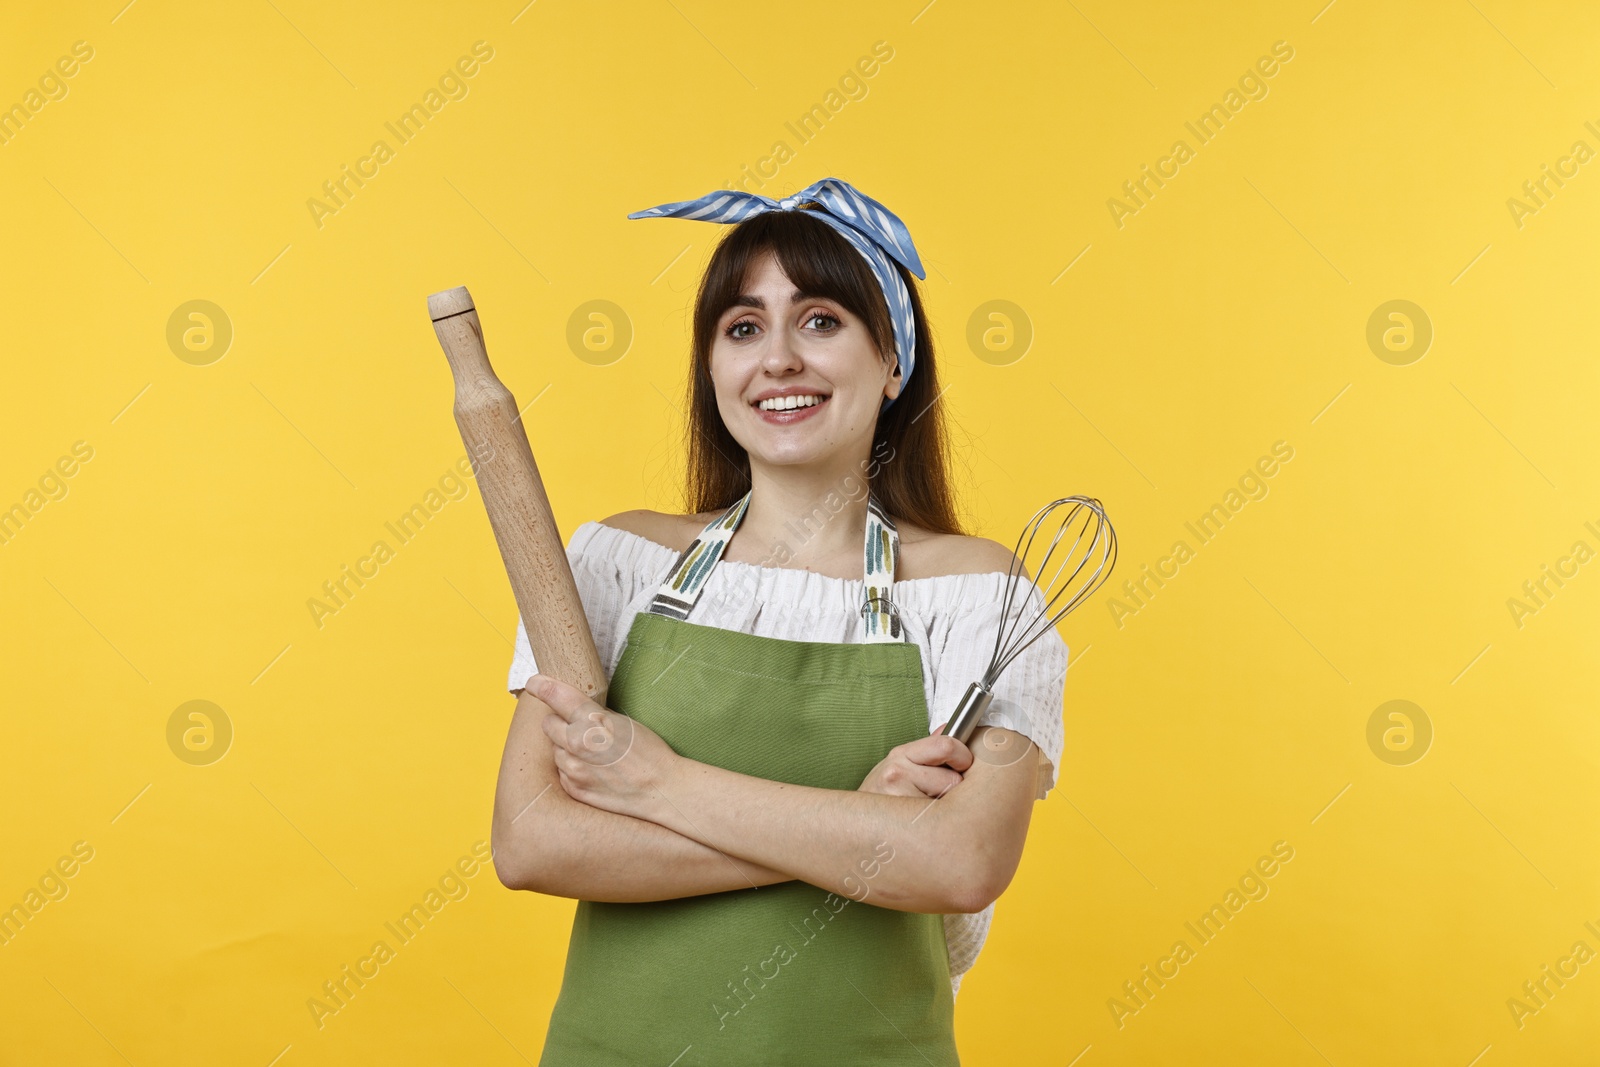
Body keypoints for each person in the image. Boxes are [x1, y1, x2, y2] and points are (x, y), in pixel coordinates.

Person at [491, 178, 1068, 1066]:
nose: (779, 359)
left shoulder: (982, 596)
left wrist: (659, 785)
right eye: (744, 328)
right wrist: (863, 829)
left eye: (823, 320)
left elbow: (960, 863)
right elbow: (531, 840)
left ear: (893, 363)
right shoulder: (616, 563)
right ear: (713, 370)